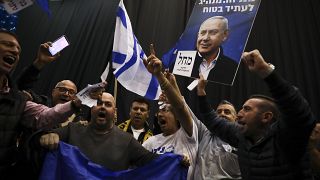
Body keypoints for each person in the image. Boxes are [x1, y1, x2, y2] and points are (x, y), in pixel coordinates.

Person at [197, 49, 316, 179]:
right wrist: (201, 92)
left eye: (247, 109)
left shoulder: (287, 136)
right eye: (241, 108)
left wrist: (265, 71)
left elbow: (297, 109)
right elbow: (212, 120)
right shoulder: (241, 136)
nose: (239, 114)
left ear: (266, 117)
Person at [0, 29, 81, 178]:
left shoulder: (80, 122)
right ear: (53, 92)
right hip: (26, 169)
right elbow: (23, 88)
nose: (66, 94)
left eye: (71, 92)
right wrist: (39, 64)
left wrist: (76, 103)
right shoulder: (36, 101)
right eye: (62, 89)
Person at [39, 92, 158, 171]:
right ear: (91, 108)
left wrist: (175, 160)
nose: (102, 107)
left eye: (108, 104)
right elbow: (34, 141)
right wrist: (47, 136)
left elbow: (154, 162)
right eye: (99, 103)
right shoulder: (73, 129)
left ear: (115, 112)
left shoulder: (127, 141)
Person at [142, 45, 198, 180]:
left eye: (166, 110)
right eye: (159, 112)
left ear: (177, 118)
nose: (160, 114)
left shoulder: (188, 135)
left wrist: (159, 76)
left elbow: (180, 107)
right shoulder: (150, 142)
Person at [192, 100, 241, 179]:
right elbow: (184, 110)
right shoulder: (203, 132)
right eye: (218, 112)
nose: (222, 114)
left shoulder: (243, 139)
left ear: (236, 119)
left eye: (227, 112)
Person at [190, 16, 238, 85]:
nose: (205, 38)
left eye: (212, 32)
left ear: (225, 35)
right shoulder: (179, 63)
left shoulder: (233, 68)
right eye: (202, 33)